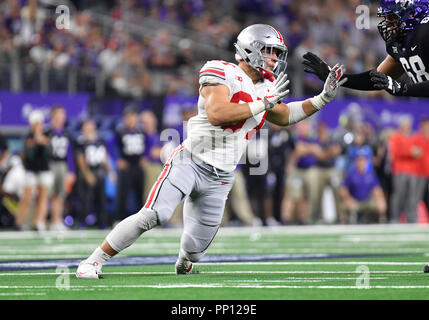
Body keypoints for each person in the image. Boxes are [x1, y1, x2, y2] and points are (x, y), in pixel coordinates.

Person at [76, 24, 347, 279]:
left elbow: (285, 114)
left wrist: (322, 98)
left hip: (222, 176)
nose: (275, 59)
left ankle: (184, 257)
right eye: (270, 51)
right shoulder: (220, 70)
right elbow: (218, 114)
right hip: (191, 161)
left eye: (277, 53)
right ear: (250, 49)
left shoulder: (265, 87)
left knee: (195, 251)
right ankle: (94, 260)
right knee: (154, 214)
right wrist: (262, 104)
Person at [302, 0, 429, 98]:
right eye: (386, 18)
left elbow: (398, 88)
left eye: (392, 17)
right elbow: (375, 79)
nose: (387, 23)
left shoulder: (425, 32)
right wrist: (335, 78)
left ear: (412, 14)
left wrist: (402, 89)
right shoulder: (400, 42)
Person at [16, 110, 53, 231]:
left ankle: (39, 222)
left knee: (43, 196)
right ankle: (19, 222)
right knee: (26, 196)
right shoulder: (28, 136)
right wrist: (36, 141)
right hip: (31, 169)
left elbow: (49, 152)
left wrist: (41, 140)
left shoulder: (47, 134)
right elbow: (28, 154)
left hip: (44, 169)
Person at [74, 119, 111, 229]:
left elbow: (104, 156)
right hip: (87, 172)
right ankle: (82, 222)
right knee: (85, 199)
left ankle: (102, 222)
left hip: (99, 171)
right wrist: (87, 174)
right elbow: (80, 159)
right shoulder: (80, 141)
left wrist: (110, 171)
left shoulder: (100, 140)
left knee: (101, 199)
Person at [114, 106, 146, 222]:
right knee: (123, 194)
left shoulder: (141, 131)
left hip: (138, 165)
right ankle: (119, 219)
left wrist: (145, 157)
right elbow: (113, 146)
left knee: (140, 193)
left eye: (133, 117)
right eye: (129, 117)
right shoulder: (120, 131)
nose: (131, 120)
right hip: (126, 166)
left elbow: (148, 144)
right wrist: (118, 159)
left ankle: (141, 220)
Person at [388, 115, 422, 223]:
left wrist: (409, 151)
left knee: (412, 196)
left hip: (412, 171)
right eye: (404, 125)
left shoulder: (413, 137)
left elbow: (419, 152)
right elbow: (394, 153)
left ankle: (412, 218)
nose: (406, 127)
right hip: (399, 170)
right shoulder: (396, 137)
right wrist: (409, 152)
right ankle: (395, 218)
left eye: (408, 125)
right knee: (398, 195)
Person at [340, 150, 387, 224]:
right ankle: (345, 222)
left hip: (367, 201)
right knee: (344, 205)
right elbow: (343, 190)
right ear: (355, 162)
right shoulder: (351, 174)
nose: (361, 162)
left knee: (381, 204)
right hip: (356, 201)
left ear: (366, 161)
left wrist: (380, 199)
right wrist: (348, 198)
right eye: (359, 160)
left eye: (363, 160)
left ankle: (380, 221)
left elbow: (377, 190)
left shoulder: (371, 175)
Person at [45, 105, 73, 231]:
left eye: (62, 115)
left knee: (59, 194)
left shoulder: (66, 133)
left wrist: (71, 171)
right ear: (52, 116)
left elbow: (69, 154)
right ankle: (44, 220)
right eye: (58, 115)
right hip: (50, 164)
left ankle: (56, 220)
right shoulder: (47, 132)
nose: (61, 117)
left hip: (62, 165)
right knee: (47, 195)